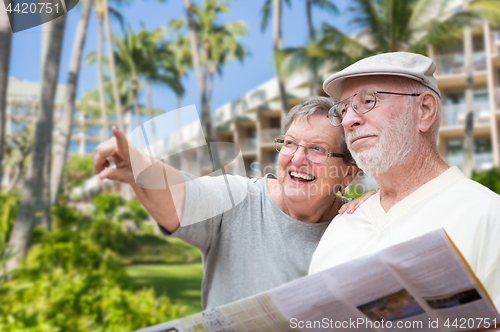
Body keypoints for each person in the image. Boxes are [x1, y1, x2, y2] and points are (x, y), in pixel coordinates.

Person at [93, 96, 374, 309]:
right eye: (289, 143)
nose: (297, 158)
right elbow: (182, 195)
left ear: (349, 172)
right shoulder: (237, 200)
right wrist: (140, 168)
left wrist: (385, 202)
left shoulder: (359, 221)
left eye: (317, 149)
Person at [308, 52, 500, 309]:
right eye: (343, 109)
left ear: (424, 110)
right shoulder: (344, 224)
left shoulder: (486, 215)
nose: (347, 120)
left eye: (367, 100)